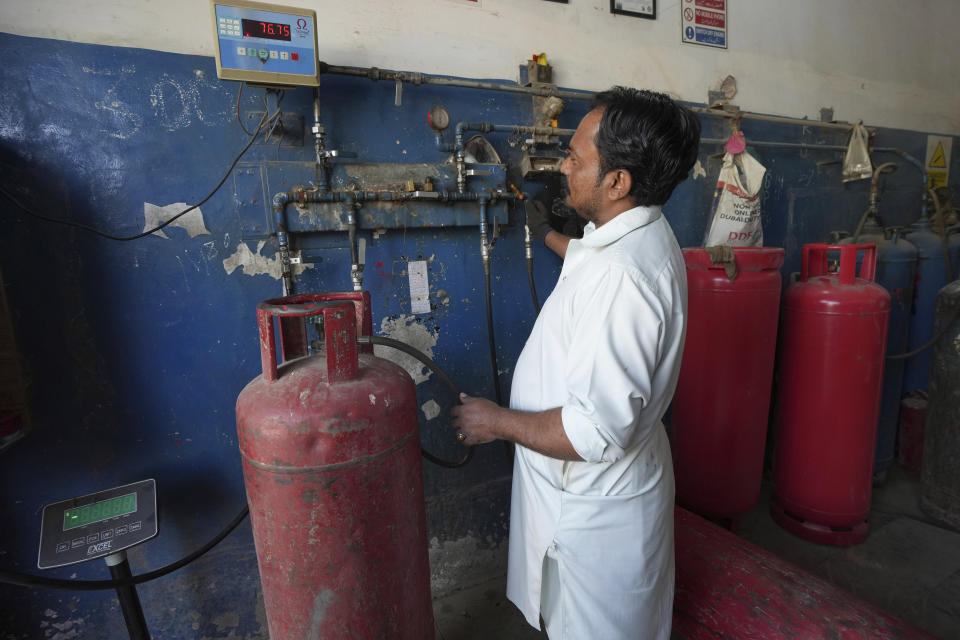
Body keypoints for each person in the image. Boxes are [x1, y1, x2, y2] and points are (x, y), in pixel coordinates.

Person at [451, 86, 700, 639]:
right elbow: (588, 259)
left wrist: (494, 422)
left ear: (617, 182)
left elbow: (591, 432)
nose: (563, 165)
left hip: (593, 516)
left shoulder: (623, 280)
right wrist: (546, 235)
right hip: (586, 497)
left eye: (576, 158)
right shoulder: (636, 234)